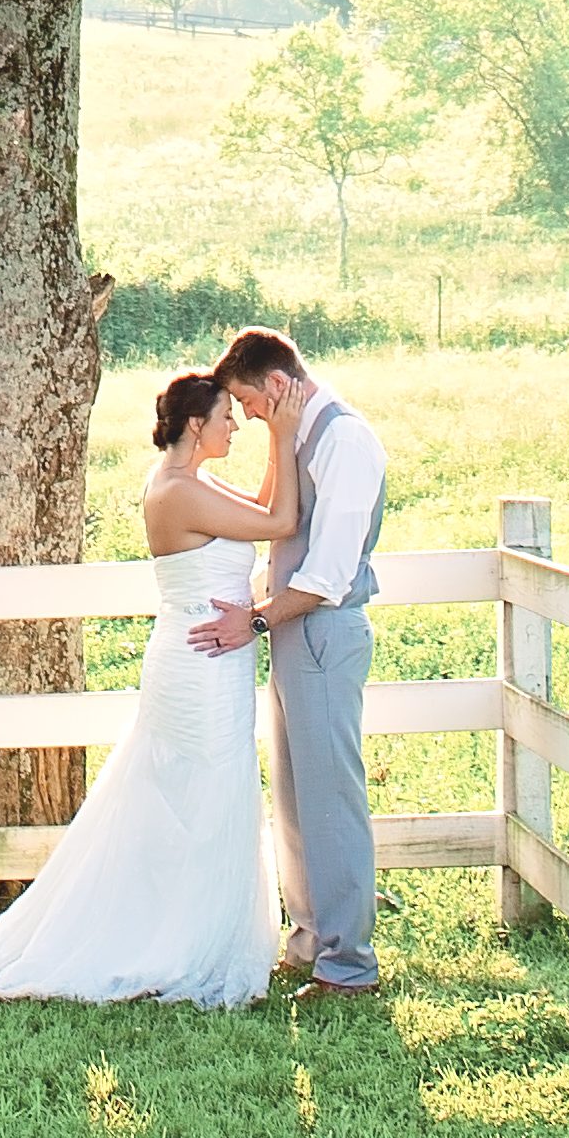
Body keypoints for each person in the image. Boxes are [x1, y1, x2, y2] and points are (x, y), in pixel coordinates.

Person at [0, 367, 295, 1008]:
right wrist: (286, 433)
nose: (235, 425)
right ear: (194, 425)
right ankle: (183, 947)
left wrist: (276, 442)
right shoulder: (178, 492)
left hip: (214, 658)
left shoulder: (194, 483)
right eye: (225, 417)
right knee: (202, 795)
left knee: (202, 795)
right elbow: (284, 521)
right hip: (198, 665)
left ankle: (189, 933)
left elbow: (264, 511)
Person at [187, 326, 387, 995]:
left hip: (323, 632)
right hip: (299, 637)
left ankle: (349, 964)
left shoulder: (345, 442)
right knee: (299, 798)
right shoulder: (301, 437)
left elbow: (327, 573)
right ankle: (310, 941)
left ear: (277, 385)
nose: (244, 416)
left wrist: (258, 619)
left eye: (248, 402)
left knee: (331, 798)